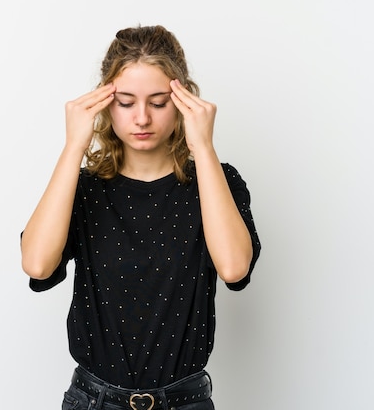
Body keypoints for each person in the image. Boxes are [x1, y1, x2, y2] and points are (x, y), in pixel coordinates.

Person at [20, 24, 261, 410]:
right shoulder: (83, 189)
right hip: (93, 401)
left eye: (159, 102)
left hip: (185, 401)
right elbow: (36, 264)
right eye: (126, 102)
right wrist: (73, 146)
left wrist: (203, 145)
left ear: (183, 100)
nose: (143, 118)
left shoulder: (218, 181)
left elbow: (234, 269)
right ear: (105, 102)